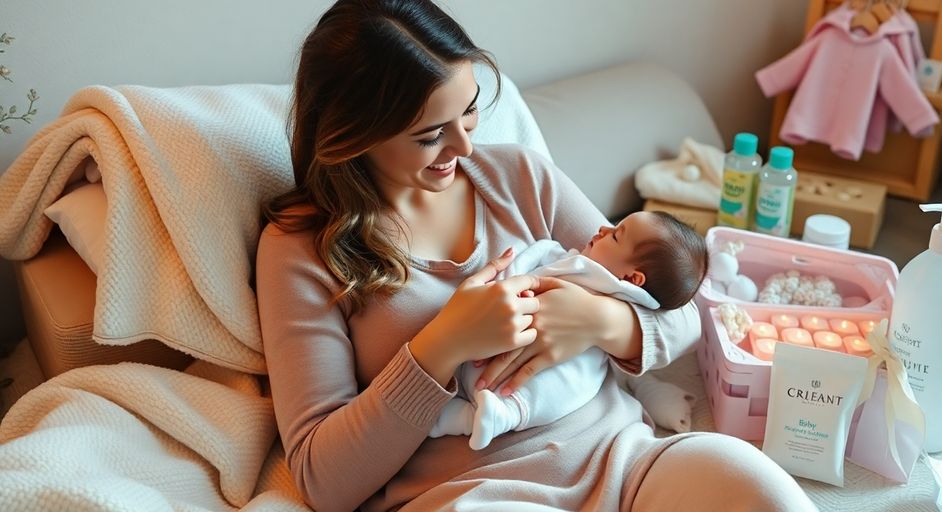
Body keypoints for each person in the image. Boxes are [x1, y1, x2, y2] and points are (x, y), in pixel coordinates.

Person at [255, 1, 819, 510]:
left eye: (470, 112)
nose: (465, 146)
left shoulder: (518, 176)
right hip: (472, 496)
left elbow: (680, 309)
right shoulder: (302, 247)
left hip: (627, 463)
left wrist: (597, 319)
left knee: (761, 490)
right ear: (352, 134)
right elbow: (321, 479)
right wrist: (442, 345)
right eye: (430, 135)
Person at [429, 210, 707, 450]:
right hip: (492, 344)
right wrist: (502, 286)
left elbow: (687, 320)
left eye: (615, 234)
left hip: (584, 403)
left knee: (570, 382)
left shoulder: (627, 293)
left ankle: (495, 416)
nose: (602, 227)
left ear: (633, 279)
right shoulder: (562, 257)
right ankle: (474, 414)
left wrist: (600, 319)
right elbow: (529, 261)